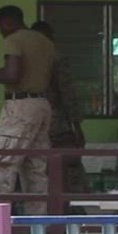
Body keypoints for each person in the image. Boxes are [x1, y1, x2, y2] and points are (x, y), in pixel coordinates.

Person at [0, 5, 57, 214]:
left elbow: (13, 76)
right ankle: (38, 227)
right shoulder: (44, 41)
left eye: (0, 27)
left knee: (2, 163)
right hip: (42, 104)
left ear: (7, 22)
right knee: (35, 168)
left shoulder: (14, 40)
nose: (1, 31)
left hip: (20, 106)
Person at [30, 20, 89, 198]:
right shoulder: (55, 58)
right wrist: (76, 126)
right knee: (67, 167)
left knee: (36, 167)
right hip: (56, 123)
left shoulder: (23, 59)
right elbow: (66, 92)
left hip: (30, 121)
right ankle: (70, 206)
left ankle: (44, 208)